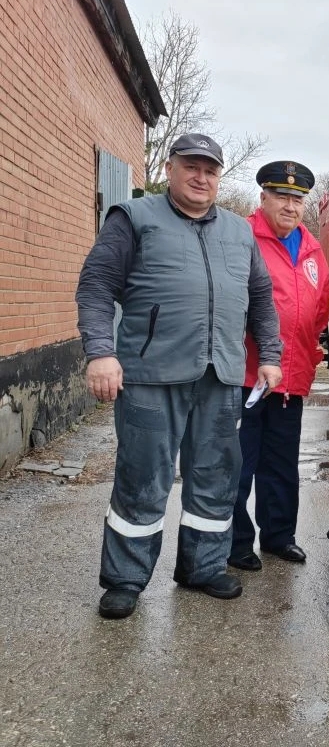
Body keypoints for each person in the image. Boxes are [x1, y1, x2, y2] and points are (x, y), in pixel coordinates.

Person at [76, 133, 283, 620]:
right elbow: (96, 286)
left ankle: (202, 567)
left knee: (215, 477)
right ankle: (126, 579)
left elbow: (260, 300)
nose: (201, 176)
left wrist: (269, 355)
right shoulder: (135, 218)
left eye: (211, 169)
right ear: (169, 168)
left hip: (221, 376)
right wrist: (100, 352)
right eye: (191, 166)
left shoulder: (238, 231)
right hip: (150, 375)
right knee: (142, 478)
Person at [228, 161, 329, 572]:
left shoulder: (312, 247)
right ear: (263, 198)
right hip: (244, 376)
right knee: (238, 463)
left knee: (281, 462)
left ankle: (278, 536)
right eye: (282, 197)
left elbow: (320, 305)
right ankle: (236, 543)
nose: (290, 206)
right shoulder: (241, 237)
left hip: (292, 376)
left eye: (297, 199)